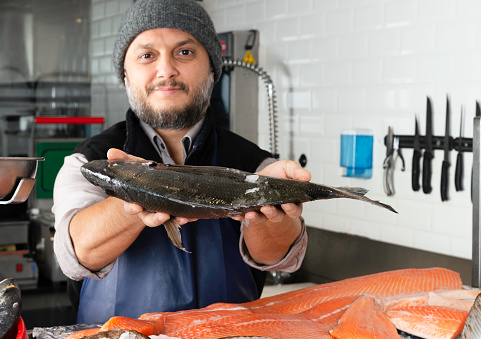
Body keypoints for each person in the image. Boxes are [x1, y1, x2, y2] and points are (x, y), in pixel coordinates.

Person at [52, 0, 310, 324]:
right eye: (147, 55)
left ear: (213, 69)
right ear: (125, 74)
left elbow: (279, 259)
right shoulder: (89, 161)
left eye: (184, 52)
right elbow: (76, 255)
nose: (166, 70)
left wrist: (266, 208)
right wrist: (137, 192)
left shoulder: (255, 165)